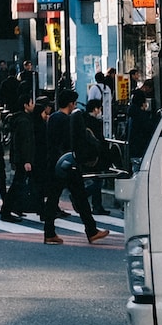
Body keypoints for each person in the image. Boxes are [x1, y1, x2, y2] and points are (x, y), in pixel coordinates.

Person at [43, 88, 110, 246]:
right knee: (80, 198)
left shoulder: (52, 118)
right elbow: (73, 141)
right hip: (68, 163)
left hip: (55, 163)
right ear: (71, 103)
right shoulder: (68, 120)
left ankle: (50, 232)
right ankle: (91, 231)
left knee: (54, 199)